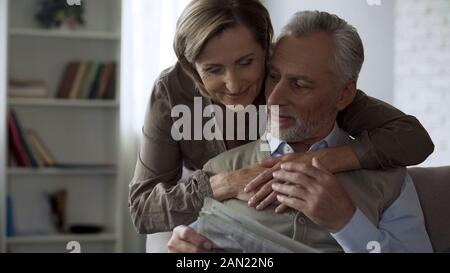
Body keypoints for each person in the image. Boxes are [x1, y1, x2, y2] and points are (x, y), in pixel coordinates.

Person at [128, 0, 434, 234]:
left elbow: (413, 138)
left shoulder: (287, 81)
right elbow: (142, 209)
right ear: (192, 67)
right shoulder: (171, 91)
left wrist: (321, 161)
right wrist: (224, 184)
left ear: (266, 49)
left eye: (246, 62)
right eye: (213, 69)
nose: (234, 86)